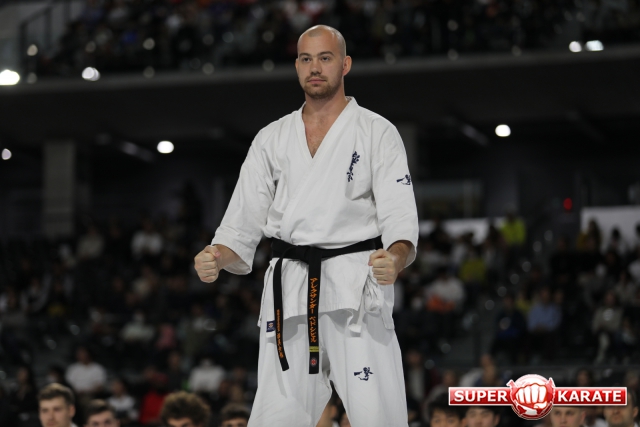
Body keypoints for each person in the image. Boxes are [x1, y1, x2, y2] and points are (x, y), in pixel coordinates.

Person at [194, 25, 418, 427]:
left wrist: (397, 258)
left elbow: (400, 218)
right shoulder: (271, 138)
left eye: (325, 58)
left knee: (378, 416)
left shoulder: (377, 132)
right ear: (297, 66)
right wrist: (216, 255)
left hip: (355, 290)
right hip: (290, 293)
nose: (315, 67)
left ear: (345, 65)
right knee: (274, 419)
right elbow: (241, 223)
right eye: (305, 59)